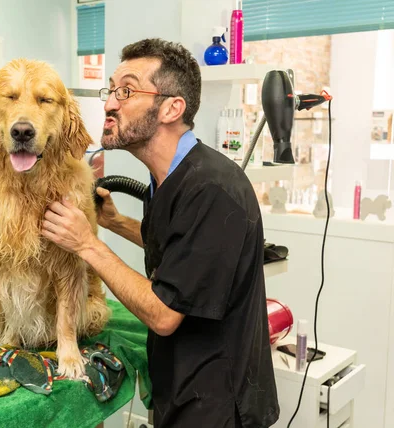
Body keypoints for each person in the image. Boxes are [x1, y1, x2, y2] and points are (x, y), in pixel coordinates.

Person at [41, 38, 280, 428]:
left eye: (127, 91)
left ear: (171, 108)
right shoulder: (169, 176)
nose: (109, 103)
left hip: (218, 404)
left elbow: (165, 314)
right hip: (181, 386)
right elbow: (181, 249)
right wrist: (115, 223)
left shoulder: (212, 189)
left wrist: (87, 244)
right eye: (111, 89)